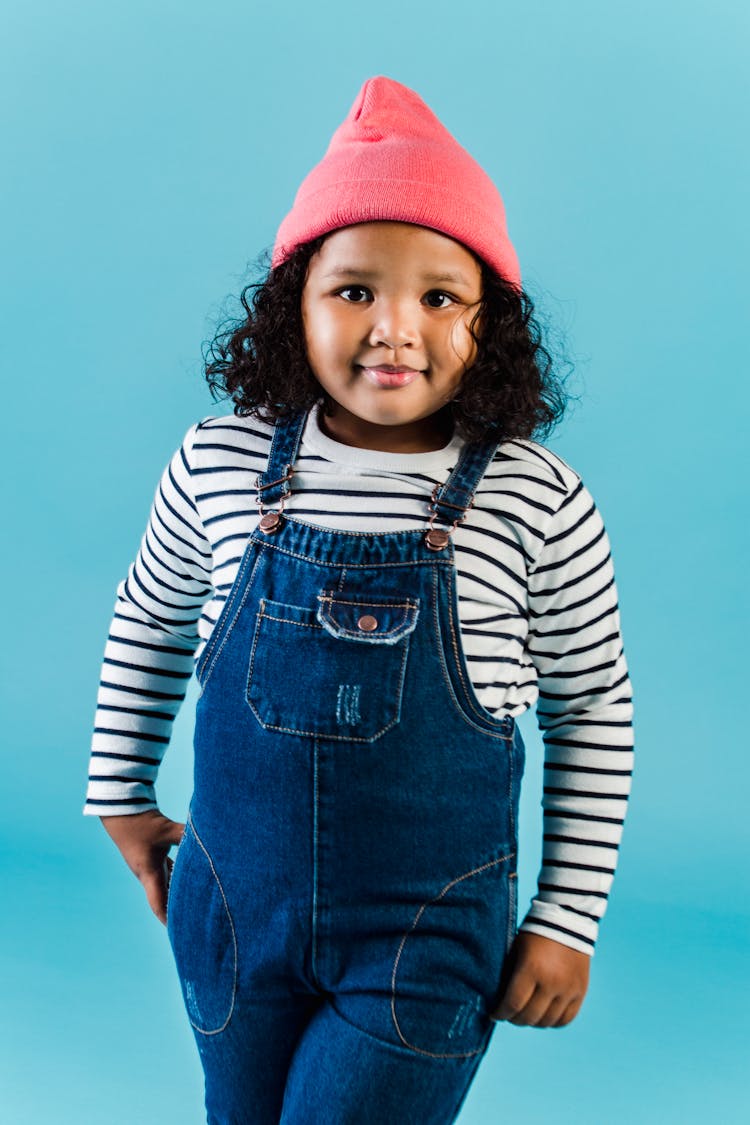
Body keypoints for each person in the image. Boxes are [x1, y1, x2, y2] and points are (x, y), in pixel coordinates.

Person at [84, 76, 634, 1124]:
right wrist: (119, 794)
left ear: (492, 323)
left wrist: (568, 916)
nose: (395, 329)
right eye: (354, 291)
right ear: (293, 306)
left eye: (438, 295)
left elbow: (594, 705)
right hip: (232, 918)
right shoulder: (219, 460)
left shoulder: (535, 496)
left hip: (425, 934)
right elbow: (147, 621)